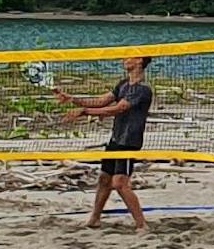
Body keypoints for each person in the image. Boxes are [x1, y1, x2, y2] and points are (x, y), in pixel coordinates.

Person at [58, 55, 155, 232]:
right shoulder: (123, 84)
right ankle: (94, 219)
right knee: (104, 179)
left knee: (119, 183)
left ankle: (142, 224)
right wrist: (73, 99)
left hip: (129, 142)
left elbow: (120, 108)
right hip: (116, 139)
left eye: (129, 57)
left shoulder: (142, 90)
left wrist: (86, 112)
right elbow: (102, 101)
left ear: (140, 60)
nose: (124, 60)